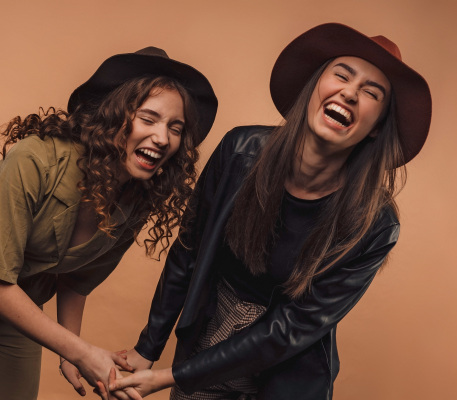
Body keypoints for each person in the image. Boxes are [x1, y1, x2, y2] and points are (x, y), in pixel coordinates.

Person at [109, 23, 432, 400]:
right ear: (313, 88)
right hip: (207, 342)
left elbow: (293, 326)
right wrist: (148, 348)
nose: (350, 92)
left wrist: (171, 376)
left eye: (370, 93)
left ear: (377, 127)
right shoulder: (238, 152)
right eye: (342, 75)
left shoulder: (375, 225)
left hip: (288, 375)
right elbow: (189, 253)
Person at [0, 46, 217, 400]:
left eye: (175, 128)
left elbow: (76, 279)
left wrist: (68, 353)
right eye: (148, 119)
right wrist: (79, 352)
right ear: (113, 117)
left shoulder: (136, 199)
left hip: (17, 316)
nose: (162, 138)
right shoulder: (34, 161)